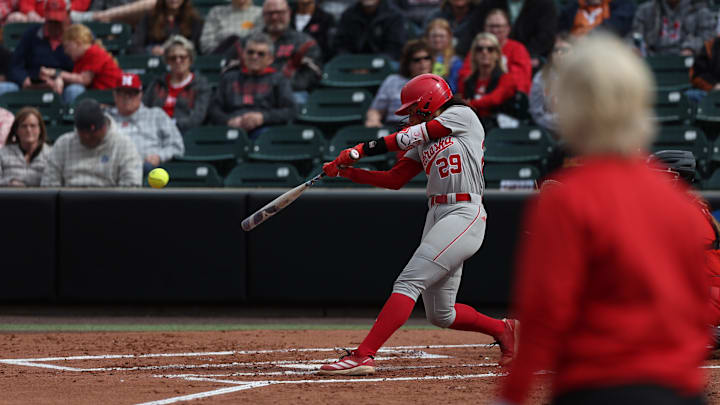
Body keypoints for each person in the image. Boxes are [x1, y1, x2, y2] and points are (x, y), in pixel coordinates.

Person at [495, 33, 709, 405]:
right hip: (682, 390)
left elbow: (545, 311)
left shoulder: (566, 199)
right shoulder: (678, 201)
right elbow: (694, 307)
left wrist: (511, 395)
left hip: (598, 388)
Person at [317, 73, 519, 375]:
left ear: (429, 102)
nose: (409, 116)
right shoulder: (423, 139)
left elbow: (405, 137)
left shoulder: (462, 115)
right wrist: (347, 173)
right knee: (441, 313)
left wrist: (360, 150)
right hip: (437, 213)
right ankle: (504, 330)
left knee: (408, 282)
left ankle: (364, 355)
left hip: (465, 211)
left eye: (413, 109)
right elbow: (394, 179)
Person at [225, 0, 323, 100]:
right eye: (270, 13)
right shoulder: (245, 43)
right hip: (251, 92)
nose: (274, 17)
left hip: (291, 93)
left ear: (289, 12)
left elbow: (312, 75)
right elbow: (229, 71)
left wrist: (279, 87)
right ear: (263, 15)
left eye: (279, 12)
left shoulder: (305, 43)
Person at [208, 32, 295, 136]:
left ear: (270, 59)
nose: (254, 57)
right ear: (243, 54)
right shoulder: (229, 78)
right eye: (250, 52)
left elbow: (290, 110)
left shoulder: (279, 79)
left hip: (265, 130)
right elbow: (214, 109)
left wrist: (262, 117)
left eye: (261, 54)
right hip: (231, 129)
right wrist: (228, 121)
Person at [41, 98, 142, 187]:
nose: (87, 137)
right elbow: (49, 184)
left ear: (104, 126)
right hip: (70, 202)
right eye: (83, 133)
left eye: (92, 133)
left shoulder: (124, 145)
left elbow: (131, 187)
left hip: (110, 203)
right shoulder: (63, 144)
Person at [106, 73, 184, 173]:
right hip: (113, 171)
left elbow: (177, 146)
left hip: (148, 171)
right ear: (115, 95)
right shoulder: (107, 119)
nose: (127, 97)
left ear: (140, 94)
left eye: (132, 93)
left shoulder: (156, 115)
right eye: (122, 93)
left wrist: (159, 156)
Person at [1, 0, 73, 97]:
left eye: (57, 21)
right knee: (5, 88)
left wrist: (60, 77)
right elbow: (15, 65)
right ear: (45, 16)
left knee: (75, 90)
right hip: (32, 85)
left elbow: (83, 73)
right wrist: (24, 79)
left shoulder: (76, 37)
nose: (54, 25)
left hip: (64, 86)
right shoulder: (31, 34)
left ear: (67, 15)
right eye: (51, 21)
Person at [40, 23, 123, 104]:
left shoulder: (94, 51)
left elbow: (84, 80)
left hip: (109, 98)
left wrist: (56, 72)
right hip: (97, 96)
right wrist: (57, 80)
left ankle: (72, 116)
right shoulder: (80, 59)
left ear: (78, 43)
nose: (65, 51)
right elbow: (76, 79)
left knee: (74, 90)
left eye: (67, 46)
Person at [143, 35, 211, 133]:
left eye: (182, 57)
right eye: (173, 58)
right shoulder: (157, 83)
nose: (178, 61)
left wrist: (171, 124)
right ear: (167, 61)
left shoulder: (200, 85)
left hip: (185, 134)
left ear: (190, 60)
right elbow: (144, 109)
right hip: (153, 133)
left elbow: (197, 117)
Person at [457, 9, 531, 95]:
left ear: (508, 28)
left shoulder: (518, 49)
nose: (495, 30)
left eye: (499, 26)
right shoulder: (479, 48)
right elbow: (464, 77)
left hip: (505, 101)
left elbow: (520, 82)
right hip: (477, 95)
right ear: (485, 28)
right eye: (491, 26)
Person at [365, 39, 432, 129]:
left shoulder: (437, 82)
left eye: (426, 58)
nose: (423, 63)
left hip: (423, 129)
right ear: (408, 63)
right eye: (417, 60)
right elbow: (376, 110)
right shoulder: (392, 81)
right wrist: (373, 120)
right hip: (394, 127)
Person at [473, 0, 558, 70]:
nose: (496, 29)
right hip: (491, 52)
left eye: (498, 26)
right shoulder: (489, 3)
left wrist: (520, 55)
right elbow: (475, 29)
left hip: (531, 55)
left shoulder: (545, 4)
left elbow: (546, 37)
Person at [459, 33, 518, 129]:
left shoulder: (507, 78)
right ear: (474, 55)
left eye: (490, 49)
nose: (484, 52)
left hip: (501, 131)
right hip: (473, 128)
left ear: (497, 54)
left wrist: (470, 104)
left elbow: (494, 99)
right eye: (479, 49)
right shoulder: (468, 81)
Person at [630, 0, 714, 57]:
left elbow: (707, 38)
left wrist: (691, 47)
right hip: (653, 59)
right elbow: (634, 35)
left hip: (688, 63)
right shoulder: (646, 10)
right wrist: (636, 47)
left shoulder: (700, 9)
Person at [332, 0, 407, 61]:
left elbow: (395, 49)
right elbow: (340, 45)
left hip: (384, 65)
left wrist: (371, 64)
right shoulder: (348, 15)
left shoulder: (394, 16)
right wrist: (352, 63)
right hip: (351, 65)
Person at [529, 33, 572, 134]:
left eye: (564, 50)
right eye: (556, 50)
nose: (559, 54)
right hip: (548, 131)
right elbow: (536, 113)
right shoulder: (541, 77)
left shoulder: (585, 76)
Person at [130, 0, 204, 56]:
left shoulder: (194, 19)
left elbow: (198, 48)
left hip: (183, 63)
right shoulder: (150, 17)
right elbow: (136, 46)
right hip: (156, 63)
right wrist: (151, 51)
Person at [0, 107, 51, 186]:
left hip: (40, 197)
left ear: (40, 129)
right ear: (16, 130)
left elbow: (54, 182)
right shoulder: (3, 153)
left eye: (33, 126)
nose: (28, 130)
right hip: (9, 196)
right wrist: (9, 183)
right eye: (24, 126)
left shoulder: (50, 154)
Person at [558, 0, 636, 38]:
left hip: (605, 49)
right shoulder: (573, 7)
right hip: (572, 50)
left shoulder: (622, 5)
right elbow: (561, 32)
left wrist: (587, 37)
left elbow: (615, 27)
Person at [425, 18, 462, 93]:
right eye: (434, 36)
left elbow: (454, 89)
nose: (437, 40)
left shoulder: (455, 62)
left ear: (449, 38)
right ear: (427, 38)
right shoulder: (420, 58)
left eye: (441, 36)